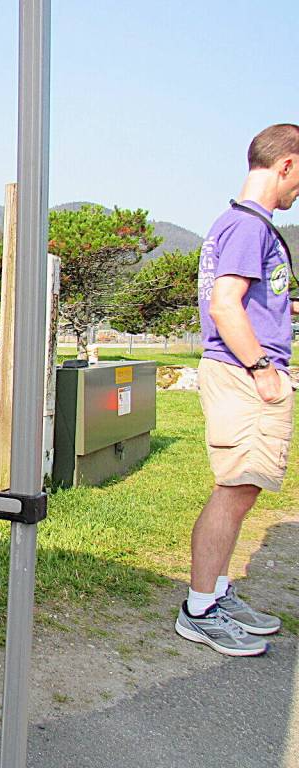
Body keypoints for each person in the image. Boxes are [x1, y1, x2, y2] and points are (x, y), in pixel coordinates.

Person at [177, 124, 299, 656]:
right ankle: (200, 609)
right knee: (235, 489)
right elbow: (225, 305)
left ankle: (218, 593)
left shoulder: (246, 225)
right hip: (245, 373)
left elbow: (247, 301)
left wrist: (284, 312)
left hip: (244, 369)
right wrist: (262, 368)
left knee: (242, 490)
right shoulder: (249, 227)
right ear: (286, 165)